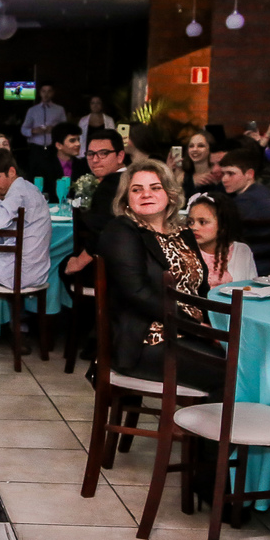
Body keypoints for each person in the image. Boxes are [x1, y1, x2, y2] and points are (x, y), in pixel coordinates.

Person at [98, 159, 220, 394]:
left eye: (155, 187)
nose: (146, 194)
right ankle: (200, 420)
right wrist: (195, 327)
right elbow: (138, 293)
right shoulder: (122, 231)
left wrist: (213, 327)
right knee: (231, 370)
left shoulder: (183, 233)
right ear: (126, 198)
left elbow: (200, 288)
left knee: (246, 358)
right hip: (148, 340)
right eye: (137, 190)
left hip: (191, 333)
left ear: (170, 194)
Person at [0, 149, 52, 290]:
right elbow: (0, 239)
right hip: (34, 273)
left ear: (11, 172)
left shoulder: (18, 192)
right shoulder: (29, 188)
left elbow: (1, 222)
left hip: (15, 273)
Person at [64, 128, 126, 276]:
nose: (95, 160)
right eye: (91, 154)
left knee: (60, 263)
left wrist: (78, 263)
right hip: (129, 260)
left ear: (120, 156)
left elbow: (100, 231)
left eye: (103, 153)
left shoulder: (110, 185)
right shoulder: (131, 177)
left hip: (112, 266)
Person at [219, 148, 270, 274]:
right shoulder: (263, 193)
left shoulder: (247, 202)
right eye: (223, 174)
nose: (224, 179)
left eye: (231, 173)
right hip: (264, 267)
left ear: (249, 174)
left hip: (254, 269)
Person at [186, 191, 257, 287]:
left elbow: (250, 287)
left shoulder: (241, 251)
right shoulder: (185, 251)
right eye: (190, 222)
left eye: (202, 222)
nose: (194, 227)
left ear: (223, 225)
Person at [29, 122, 88, 202]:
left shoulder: (83, 165)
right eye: (72, 141)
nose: (78, 144)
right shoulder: (43, 166)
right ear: (59, 145)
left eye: (78, 140)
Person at [21, 83, 67, 160]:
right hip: (36, 148)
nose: (46, 94)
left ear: (53, 93)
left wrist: (54, 129)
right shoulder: (32, 110)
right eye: (43, 91)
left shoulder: (59, 110)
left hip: (53, 147)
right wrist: (33, 130)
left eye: (49, 91)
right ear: (40, 93)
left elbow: (65, 128)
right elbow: (23, 129)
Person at [170, 130, 219, 200]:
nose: (195, 149)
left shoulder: (218, 174)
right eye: (191, 146)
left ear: (210, 148)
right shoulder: (183, 177)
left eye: (201, 146)